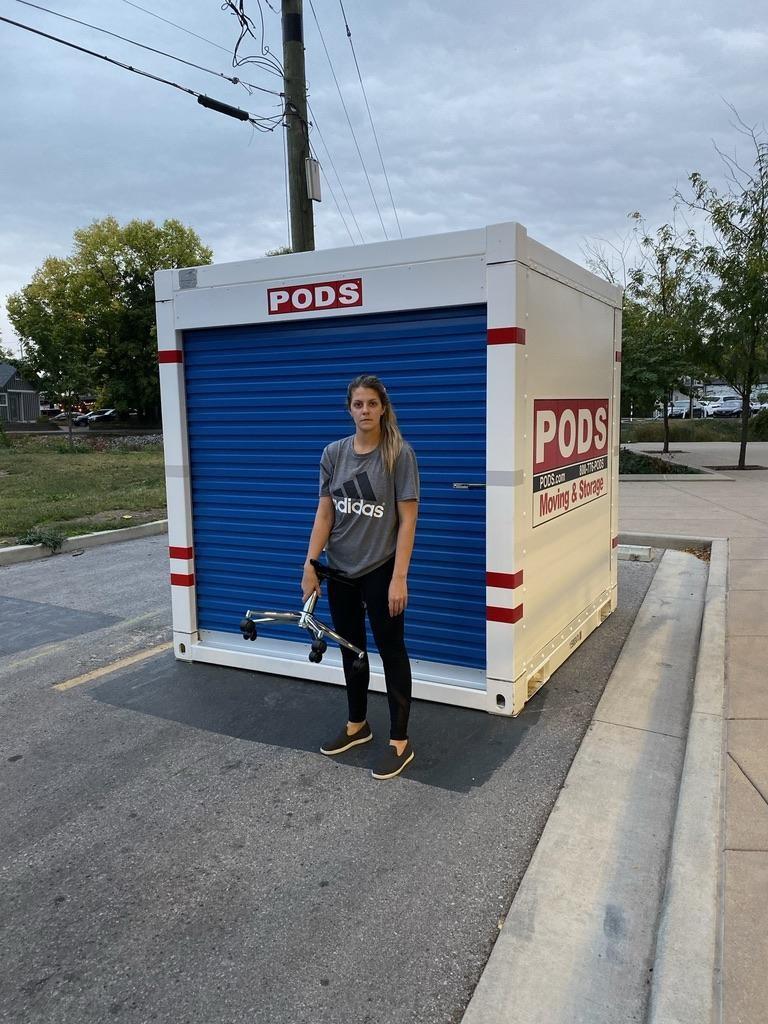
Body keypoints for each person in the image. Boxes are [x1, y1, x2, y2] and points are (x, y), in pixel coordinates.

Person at [301, 374, 419, 780]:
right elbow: (325, 513)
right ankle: (358, 725)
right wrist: (310, 564)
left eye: (371, 403)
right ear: (349, 409)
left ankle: (400, 741)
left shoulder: (398, 454)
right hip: (340, 569)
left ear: (383, 408)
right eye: (358, 404)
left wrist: (399, 577)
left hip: (381, 568)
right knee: (351, 648)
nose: (365, 410)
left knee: (391, 650)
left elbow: (408, 521)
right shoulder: (333, 453)